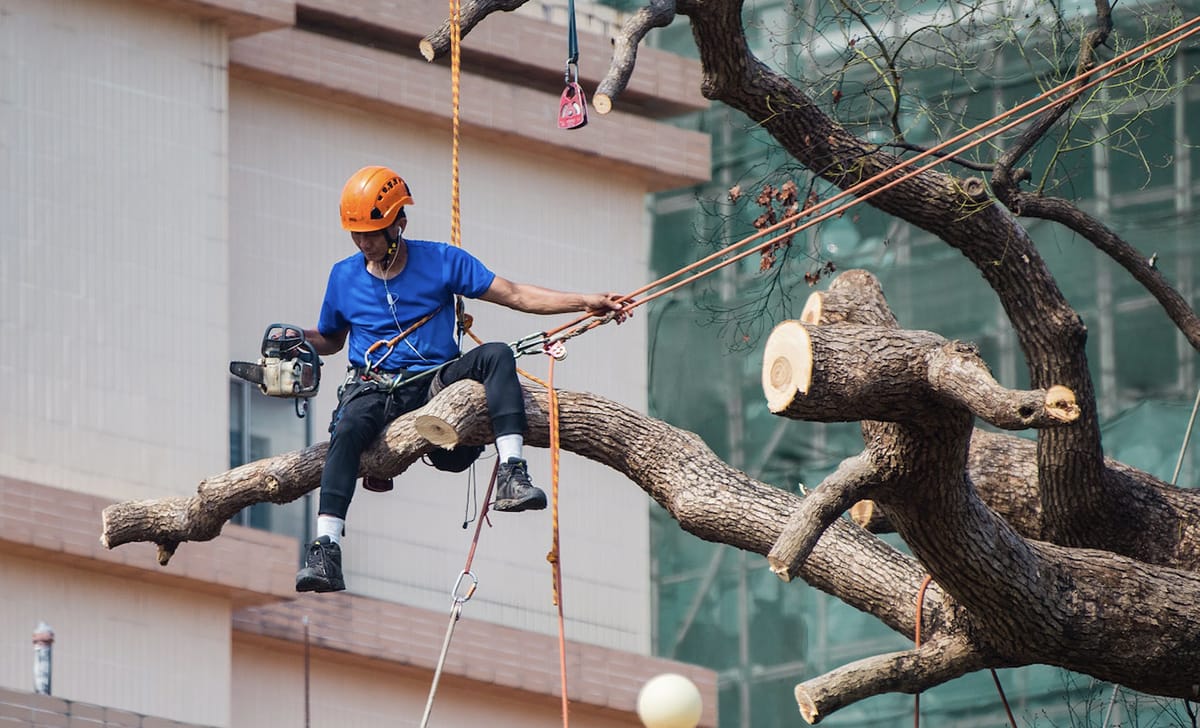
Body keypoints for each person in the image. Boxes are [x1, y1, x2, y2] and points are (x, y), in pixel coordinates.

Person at [293, 165, 627, 593]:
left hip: (435, 381)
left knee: (496, 355)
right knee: (348, 429)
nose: (364, 243)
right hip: (375, 385)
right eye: (356, 234)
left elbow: (516, 294)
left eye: (372, 233)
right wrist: (297, 338)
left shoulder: (441, 261)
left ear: (400, 224)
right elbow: (333, 340)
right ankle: (326, 549)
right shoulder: (344, 276)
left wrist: (585, 302)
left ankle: (513, 472)